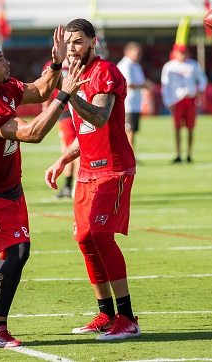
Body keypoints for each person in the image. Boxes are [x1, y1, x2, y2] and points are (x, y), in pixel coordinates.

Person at [0, 28, 88, 348]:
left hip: (10, 185)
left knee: (17, 251)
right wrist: (65, 96)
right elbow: (32, 133)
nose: (7, 62)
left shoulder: (4, 86)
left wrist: (56, 64)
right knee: (17, 250)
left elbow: (39, 90)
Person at [45, 18, 141, 341]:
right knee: (84, 239)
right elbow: (83, 134)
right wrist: (62, 159)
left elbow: (98, 117)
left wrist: (68, 94)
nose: (72, 48)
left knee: (101, 234)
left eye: (78, 42)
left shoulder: (105, 72)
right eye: (68, 42)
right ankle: (105, 313)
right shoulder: (74, 75)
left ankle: (127, 317)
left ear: (92, 43)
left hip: (113, 168)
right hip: (86, 170)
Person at [161, 44, 208, 163]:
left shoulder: (193, 65)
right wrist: (168, 101)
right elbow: (165, 86)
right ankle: (178, 154)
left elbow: (202, 79)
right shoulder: (169, 67)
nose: (182, 55)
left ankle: (189, 154)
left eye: (184, 52)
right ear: (175, 53)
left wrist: (200, 90)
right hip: (176, 101)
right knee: (177, 127)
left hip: (190, 99)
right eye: (180, 53)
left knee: (190, 127)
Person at [41, 59, 78, 199]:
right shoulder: (82, 62)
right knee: (69, 148)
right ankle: (69, 186)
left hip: (65, 109)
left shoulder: (52, 64)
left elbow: (46, 90)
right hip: (79, 108)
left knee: (71, 149)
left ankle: (77, 185)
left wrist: (46, 109)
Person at [117, 41, 148, 154]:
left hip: (134, 103)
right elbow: (128, 83)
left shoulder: (136, 65)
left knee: (132, 131)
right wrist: (144, 85)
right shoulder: (126, 65)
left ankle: (130, 155)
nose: (139, 55)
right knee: (127, 131)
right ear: (128, 52)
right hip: (127, 104)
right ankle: (127, 156)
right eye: (137, 52)